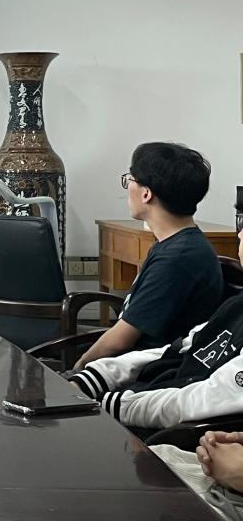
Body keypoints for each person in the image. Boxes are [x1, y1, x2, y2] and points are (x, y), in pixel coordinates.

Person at [67, 223, 243, 432]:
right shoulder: (236, 303)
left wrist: (104, 404)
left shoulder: (179, 257)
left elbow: (204, 400)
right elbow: (180, 348)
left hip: (172, 429)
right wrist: (92, 377)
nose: (239, 233)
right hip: (148, 394)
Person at [73, 142, 222, 370]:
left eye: (130, 179)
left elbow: (120, 341)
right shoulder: (176, 245)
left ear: (146, 193)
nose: (127, 186)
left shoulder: (177, 259)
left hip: (149, 372)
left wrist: (79, 367)